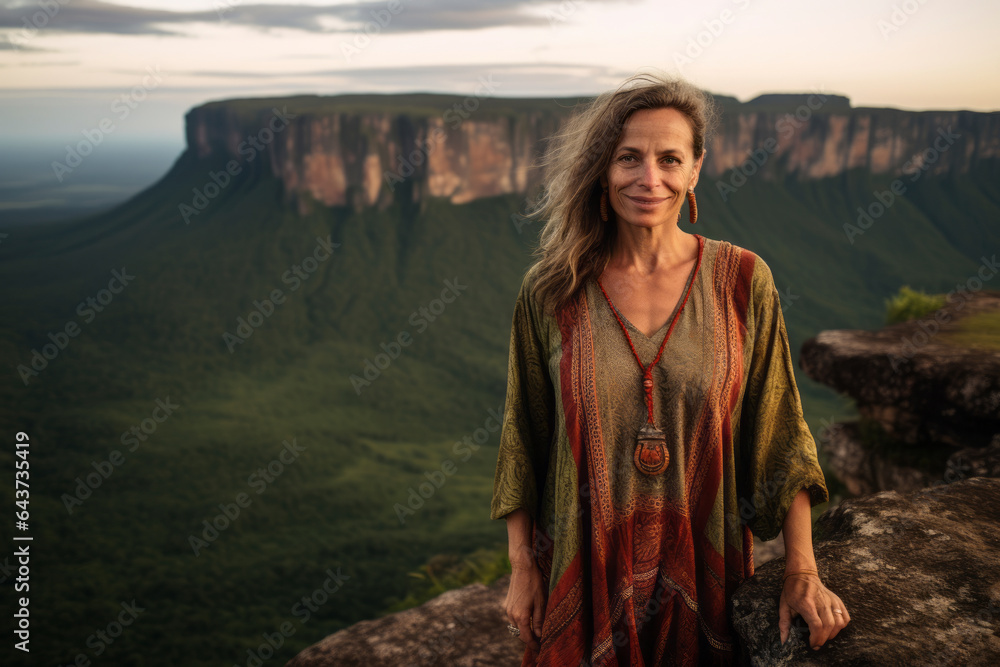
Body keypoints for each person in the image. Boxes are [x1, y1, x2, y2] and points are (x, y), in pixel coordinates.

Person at [489, 72, 851, 666]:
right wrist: (522, 567)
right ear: (603, 170)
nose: (648, 178)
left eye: (669, 158)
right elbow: (522, 435)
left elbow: (780, 431)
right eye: (628, 157)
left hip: (706, 579)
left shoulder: (742, 281)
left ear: (696, 170)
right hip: (582, 577)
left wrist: (802, 570)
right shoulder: (553, 289)